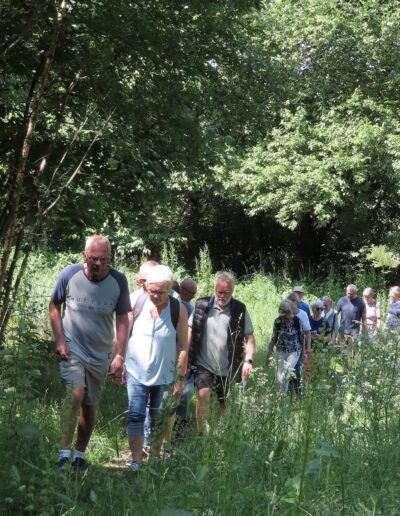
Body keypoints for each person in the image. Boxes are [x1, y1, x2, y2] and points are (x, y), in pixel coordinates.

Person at [49, 235, 130, 471]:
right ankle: (63, 455)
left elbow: (123, 317)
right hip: (72, 348)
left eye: (103, 259)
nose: (97, 263)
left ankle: (79, 456)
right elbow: (54, 305)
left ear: (110, 258)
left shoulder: (118, 281)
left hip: (101, 352)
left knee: (90, 404)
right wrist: (60, 339)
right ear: (84, 256)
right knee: (75, 393)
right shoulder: (69, 275)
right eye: (93, 258)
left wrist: (119, 355)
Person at [125, 265, 188, 471]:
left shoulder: (178, 309)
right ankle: (135, 461)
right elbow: (123, 333)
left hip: (165, 375)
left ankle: (153, 458)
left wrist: (180, 378)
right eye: (152, 290)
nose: (155, 295)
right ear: (145, 286)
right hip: (135, 370)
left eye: (161, 292)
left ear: (169, 288)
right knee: (135, 414)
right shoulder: (136, 301)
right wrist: (118, 359)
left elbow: (183, 346)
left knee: (158, 417)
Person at [188, 271, 255, 433]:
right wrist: (185, 356)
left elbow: (250, 338)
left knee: (223, 403)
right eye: (219, 292)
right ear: (214, 289)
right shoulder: (202, 305)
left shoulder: (239, 309)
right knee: (203, 395)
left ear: (232, 291)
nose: (222, 296)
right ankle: (202, 434)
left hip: (228, 366)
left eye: (226, 292)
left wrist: (248, 360)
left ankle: (215, 432)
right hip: (204, 363)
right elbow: (190, 330)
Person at [164, 278, 198, 444]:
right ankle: (167, 432)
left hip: (185, 357)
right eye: (190, 292)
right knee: (174, 395)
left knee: (183, 394)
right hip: (170, 355)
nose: (192, 296)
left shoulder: (190, 308)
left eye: (194, 294)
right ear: (182, 290)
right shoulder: (175, 304)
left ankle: (178, 430)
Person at [266, 300, 303, 393]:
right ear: (283, 313)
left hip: (294, 351)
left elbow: (301, 337)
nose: (291, 315)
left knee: (286, 373)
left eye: (291, 312)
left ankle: (284, 396)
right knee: (279, 375)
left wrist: (305, 353)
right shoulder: (278, 321)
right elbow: (274, 338)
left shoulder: (297, 321)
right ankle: (280, 396)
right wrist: (269, 354)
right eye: (288, 313)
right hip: (281, 350)